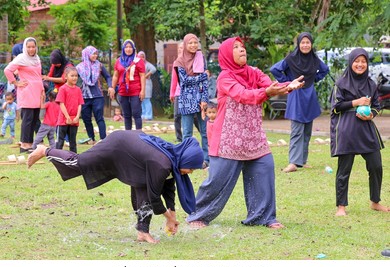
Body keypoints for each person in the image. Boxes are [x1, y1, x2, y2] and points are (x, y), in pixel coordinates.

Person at [186, 37, 304, 229]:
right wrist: (267, 92)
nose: (242, 50)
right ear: (226, 54)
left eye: (242, 47)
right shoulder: (225, 77)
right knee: (217, 181)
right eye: (236, 47)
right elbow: (243, 95)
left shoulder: (254, 73)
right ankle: (197, 215)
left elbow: (270, 85)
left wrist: (287, 86)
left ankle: (263, 217)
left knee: (265, 169)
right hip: (229, 140)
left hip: (254, 137)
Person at [27, 130, 204, 243]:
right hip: (117, 145)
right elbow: (155, 197)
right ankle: (45, 150)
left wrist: (172, 213)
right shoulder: (162, 164)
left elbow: (168, 186)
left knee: (143, 184)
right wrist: (168, 218)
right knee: (80, 164)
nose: (190, 172)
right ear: (185, 160)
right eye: (190, 168)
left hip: (133, 153)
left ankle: (142, 231)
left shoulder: (172, 159)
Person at [330, 48, 389, 216]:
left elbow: (377, 107)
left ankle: (375, 202)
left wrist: (371, 115)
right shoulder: (340, 83)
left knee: (376, 165)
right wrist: (355, 102)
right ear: (351, 62)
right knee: (344, 169)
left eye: (363, 61)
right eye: (357, 61)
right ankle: (341, 206)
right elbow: (335, 108)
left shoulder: (371, 84)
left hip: (366, 129)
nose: (360, 64)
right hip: (347, 130)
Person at [270, 32, 329, 173]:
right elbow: (275, 69)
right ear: (299, 44)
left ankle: (302, 160)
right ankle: (293, 162)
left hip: (310, 95)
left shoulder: (314, 59)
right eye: (303, 42)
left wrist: (313, 79)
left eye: (308, 42)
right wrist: (288, 82)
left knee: (307, 130)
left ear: (311, 44)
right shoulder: (291, 58)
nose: (305, 45)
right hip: (296, 94)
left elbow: (325, 70)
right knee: (297, 130)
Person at [173, 34, 209, 166]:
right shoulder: (179, 61)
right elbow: (183, 81)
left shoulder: (201, 57)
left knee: (205, 131)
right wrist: (202, 77)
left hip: (200, 98)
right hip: (186, 98)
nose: (194, 45)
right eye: (190, 43)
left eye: (196, 42)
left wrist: (205, 98)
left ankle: (207, 159)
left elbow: (205, 82)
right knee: (187, 132)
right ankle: (187, 159)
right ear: (185, 45)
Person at [4, 37, 45, 153]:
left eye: (33, 47)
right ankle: (25, 145)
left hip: (37, 91)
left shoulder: (37, 58)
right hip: (27, 92)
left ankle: (32, 143)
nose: (31, 49)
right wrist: (15, 82)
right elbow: (7, 70)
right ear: (25, 48)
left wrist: (42, 91)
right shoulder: (21, 58)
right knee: (27, 119)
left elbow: (38, 75)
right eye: (29, 47)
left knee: (34, 119)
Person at [76, 46, 115, 144]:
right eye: (93, 53)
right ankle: (91, 138)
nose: (95, 56)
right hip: (84, 97)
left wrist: (110, 86)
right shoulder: (79, 67)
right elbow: (75, 81)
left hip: (98, 96)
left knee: (99, 117)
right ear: (87, 54)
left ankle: (103, 140)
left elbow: (107, 76)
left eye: (96, 53)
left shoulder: (99, 65)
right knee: (86, 118)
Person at [111, 39, 145, 130]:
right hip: (123, 91)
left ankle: (139, 135)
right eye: (126, 47)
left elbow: (142, 76)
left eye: (130, 47)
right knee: (126, 115)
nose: (128, 49)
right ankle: (128, 135)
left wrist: (142, 91)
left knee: (136, 113)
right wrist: (112, 88)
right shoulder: (119, 61)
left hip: (135, 91)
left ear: (133, 49)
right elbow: (115, 75)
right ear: (123, 48)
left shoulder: (138, 60)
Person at [56, 66, 84, 153]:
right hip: (64, 119)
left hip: (74, 120)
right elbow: (61, 104)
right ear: (66, 77)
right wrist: (67, 117)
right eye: (72, 76)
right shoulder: (63, 89)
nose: (75, 78)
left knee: (73, 141)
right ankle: (56, 156)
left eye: (76, 76)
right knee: (60, 140)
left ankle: (74, 158)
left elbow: (80, 104)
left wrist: (77, 116)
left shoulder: (78, 90)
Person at [138, 51, 157, 121]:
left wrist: (146, 75)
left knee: (146, 99)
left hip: (147, 83)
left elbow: (154, 69)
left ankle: (148, 115)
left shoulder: (147, 64)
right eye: (140, 57)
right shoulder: (137, 64)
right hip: (139, 83)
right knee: (141, 100)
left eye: (143, 57)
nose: (141, 58)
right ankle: (143, 115)